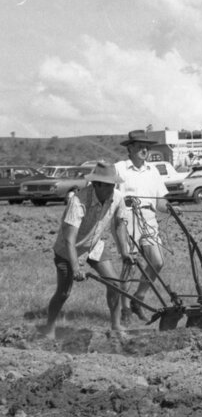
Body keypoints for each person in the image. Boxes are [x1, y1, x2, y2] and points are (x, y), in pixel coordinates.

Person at [43, 162, 135, 338]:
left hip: (94, 245)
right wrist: (76, 268)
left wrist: (124, 251)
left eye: (113, 184)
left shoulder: (117, 197)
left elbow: (119, 224)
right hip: (68, 251)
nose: (111, 189)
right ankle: (49, 327)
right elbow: (70, 240)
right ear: (96, 185)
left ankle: (115, 326)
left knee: (115, 284)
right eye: (107, 185)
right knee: (64, 292)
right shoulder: (78, 202)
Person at [115, 129, 170, 321]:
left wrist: (171, 208)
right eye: (139, 146)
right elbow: (110, 197)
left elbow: (160, 201)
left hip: (149, 220)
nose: (144, 150)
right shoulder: (120, 169)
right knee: (130, 263)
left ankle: (138, 298)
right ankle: (125, 309)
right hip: (127, 219)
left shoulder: (153, 170)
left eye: (146, 146)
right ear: (130, 148)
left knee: (157, 262)